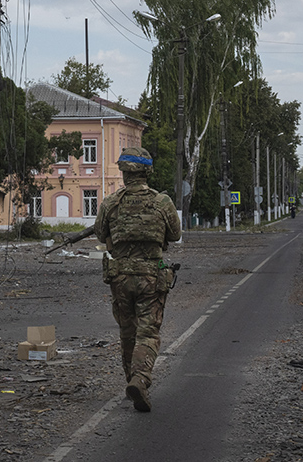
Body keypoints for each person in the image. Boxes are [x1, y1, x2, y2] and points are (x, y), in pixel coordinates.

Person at [93, 146, 181, 412]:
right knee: (148, 332)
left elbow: (100, 234)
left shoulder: (110, 202)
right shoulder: (161, 201)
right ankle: (140, 379)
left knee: (127, 333)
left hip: (119, 277)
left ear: (122, 172)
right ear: (147, 171)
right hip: (151, 278)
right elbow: (175, 235)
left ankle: (131, 381)